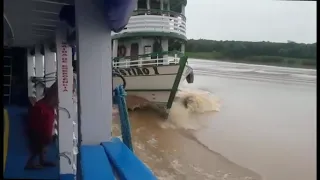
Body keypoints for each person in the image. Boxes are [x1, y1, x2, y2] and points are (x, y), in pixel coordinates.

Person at [25, 82, 58, 170]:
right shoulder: (41, 108)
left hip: (44, 120)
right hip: (38, 128)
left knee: (44, 143)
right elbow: (35, 124)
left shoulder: (48, 106)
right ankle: (30, 163)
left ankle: (42, 160)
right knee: (39, 145)